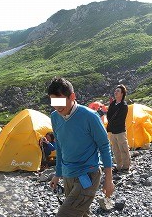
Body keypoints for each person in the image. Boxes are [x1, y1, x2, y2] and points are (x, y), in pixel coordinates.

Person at [47, 77, 114, 217]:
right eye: (54, 102)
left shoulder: (90, 116)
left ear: (72, 96)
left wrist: (109, 180)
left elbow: (104, 145)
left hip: (88, 174)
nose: (57, 108)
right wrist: (57, 174)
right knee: (81, 214)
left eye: (60, 102)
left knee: (65, 214)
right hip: (67, 175)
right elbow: (60, 146)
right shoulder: (54, 117)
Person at [106, 84, 130, 173]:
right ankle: (119, 166)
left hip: (120, 130)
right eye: (115, 91)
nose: (115, 92)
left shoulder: (123, 105)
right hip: (112, 130)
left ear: (122, 93)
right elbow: (108, 115)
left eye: (118, 91)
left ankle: (126, 166)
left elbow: (120, 118)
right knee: (115, 149)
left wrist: (112, 121)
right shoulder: (112, 104)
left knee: (123, 148)